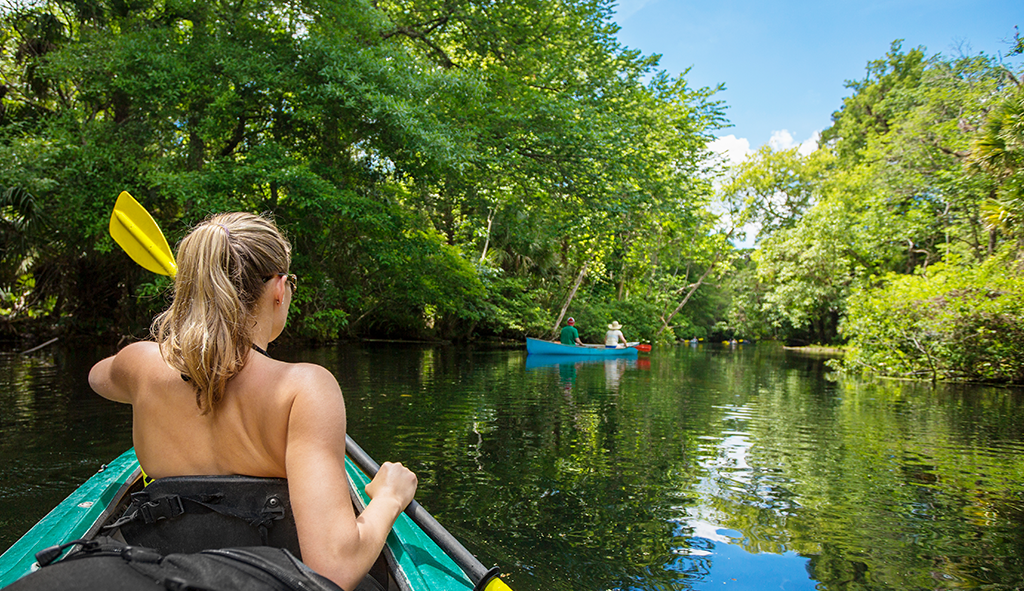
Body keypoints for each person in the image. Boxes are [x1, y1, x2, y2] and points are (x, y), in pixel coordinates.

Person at [88, 212, 417, 591]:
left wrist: (169, 349)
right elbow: (334, 570)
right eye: (290, 281)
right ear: (279, 288)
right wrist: (390, 497)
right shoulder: (304, 389)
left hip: (168, 574)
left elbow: (98, 378)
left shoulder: (140, 364)